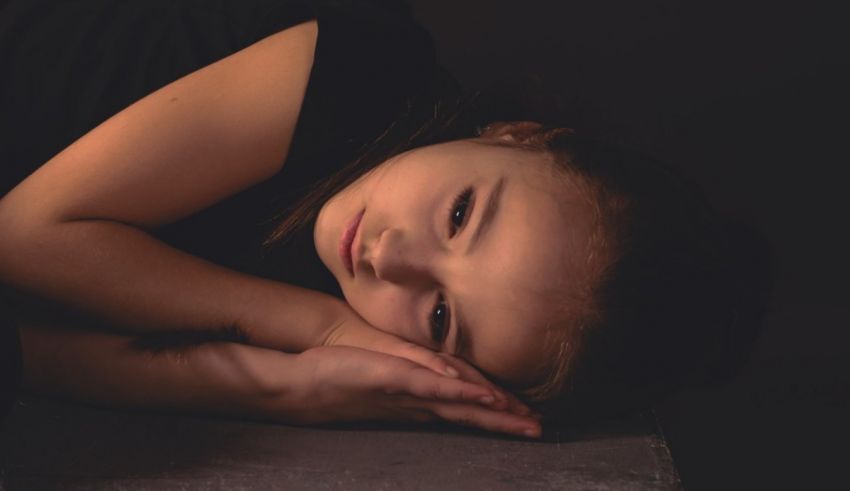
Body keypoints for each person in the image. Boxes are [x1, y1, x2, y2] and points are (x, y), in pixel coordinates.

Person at [0, 0, 769, 436]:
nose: (390, 256)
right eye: (464, 213)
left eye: (440, 315)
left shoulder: (342, 292)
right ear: (521, 136)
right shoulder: (364, 71)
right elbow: (21, 240)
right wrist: (315, 331)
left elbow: (31, 355)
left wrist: (281, 388)